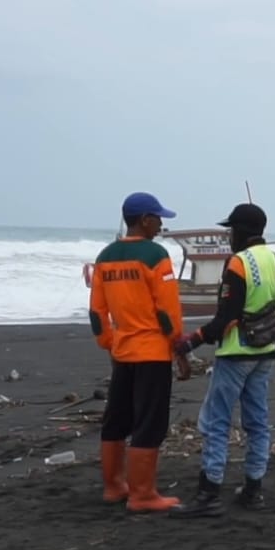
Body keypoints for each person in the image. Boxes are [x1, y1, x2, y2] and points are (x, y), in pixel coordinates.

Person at [172, 203, 275, 517]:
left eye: (230, 230)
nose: (228, 236)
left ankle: (209, 494)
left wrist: (189, 342)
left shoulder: (238, 264)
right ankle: (253, 490)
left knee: (215, 423)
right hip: (265, 354)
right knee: (257, 422)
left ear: (240, 231)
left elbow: (223, 321)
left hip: (235, 355)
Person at [87, 193, 186, 513]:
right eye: (158, 218)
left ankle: (114, 486)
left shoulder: (105, 257)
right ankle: (142, 494)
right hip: (153, 351)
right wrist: (177, 344)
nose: (161, 224)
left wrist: (108, 342)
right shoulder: (155, 255)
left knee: (116, 420)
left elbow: (97, 312)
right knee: (149, 422)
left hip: (123, 351)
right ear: (144, 219)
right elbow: (167, 310)